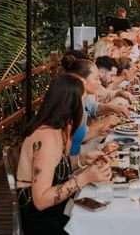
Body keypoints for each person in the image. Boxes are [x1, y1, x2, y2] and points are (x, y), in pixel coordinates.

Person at [16, 74, 112, 235]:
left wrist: (82, 160)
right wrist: (84, 178)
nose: (84, 106)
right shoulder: (46, 138)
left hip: (57, 213)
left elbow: (55, 168)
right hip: (42, 223)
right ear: (72, 104)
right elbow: (40, 201)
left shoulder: (57, 129)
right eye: (83, 100)